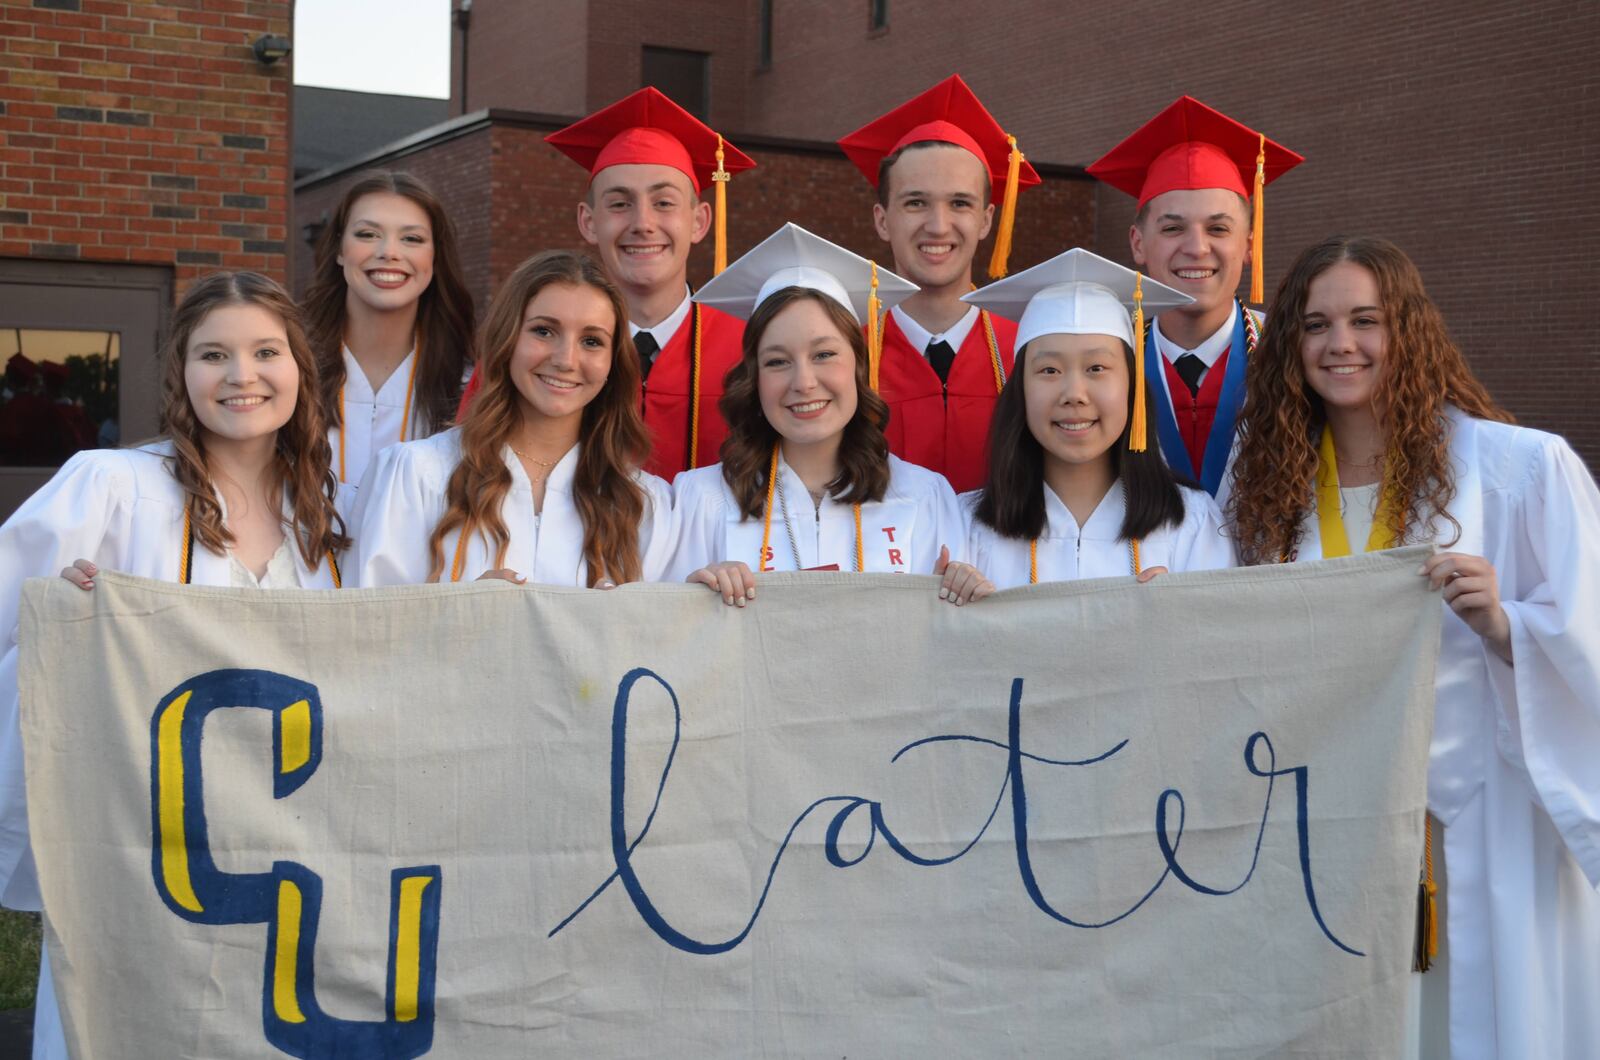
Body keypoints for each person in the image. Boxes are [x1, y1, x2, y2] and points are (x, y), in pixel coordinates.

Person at [1227, 235, 1600, 1060]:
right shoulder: (1262, 489)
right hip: (1329, 814)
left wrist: (1513, 628)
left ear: (1410, 332)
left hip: (1481, 815)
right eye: (1316, 325)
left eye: (1367, 320)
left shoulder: (1519, 470)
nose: (1341, 345)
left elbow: (1591, 634)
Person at [0, 271, 347, 1059]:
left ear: (300, 366)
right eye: (213, 355)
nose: (241, 376)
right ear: (181, 373)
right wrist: (53, 609)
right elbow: (8, 612)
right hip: (140, 835)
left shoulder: (328, 514)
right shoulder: (113, 486)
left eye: (266, 352)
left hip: (284, 843)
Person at [458, 88, 756, 478]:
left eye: (664, 203)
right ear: (588, 221)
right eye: (619, 204)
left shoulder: (752, 349)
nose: (642, 223)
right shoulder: (528, 350)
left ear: (699, 221)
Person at [675, 223, 974, 605]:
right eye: (777, 361)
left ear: (858, 365)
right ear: (755, 378)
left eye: (824, 355)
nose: (804, 382)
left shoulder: (924, 496)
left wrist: (949, 609)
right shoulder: (699, 500)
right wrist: (691, 598)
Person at [351, 250, 675, 588]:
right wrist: (459, 612)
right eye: (544, 331)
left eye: (592, 341)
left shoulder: (644, 505)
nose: (566, 360)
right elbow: (370, 629)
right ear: (507, 339)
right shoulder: (417, 476)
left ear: (613, 363)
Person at [962, 249, 1232, 587]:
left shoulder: (1189, 522)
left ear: (1132, 386)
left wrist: (1177, 617)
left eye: (1097, 368)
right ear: (1021, 392)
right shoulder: (967, 527)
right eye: (1049, 370)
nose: (1074, 393)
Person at [1087, 96, 1302, 500]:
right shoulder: (1108, 357)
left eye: (1218, 229)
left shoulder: (1293, 349)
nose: (1197, 248)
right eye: (1172, 229)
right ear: (1138, 244)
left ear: (1249, 244)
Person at [836, 74, 1040, 494]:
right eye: (916, 203)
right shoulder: (844, 357)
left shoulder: (1030, 351)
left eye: (960, 204)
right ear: (881, 219)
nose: (938, 225)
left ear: (986, 220)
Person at [300, 170, 475, 513]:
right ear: (338, 249)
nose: (389, 252)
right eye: (367, 234)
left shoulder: (467, 386)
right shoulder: (290, 371)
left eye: (412, 239)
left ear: (435, 257)